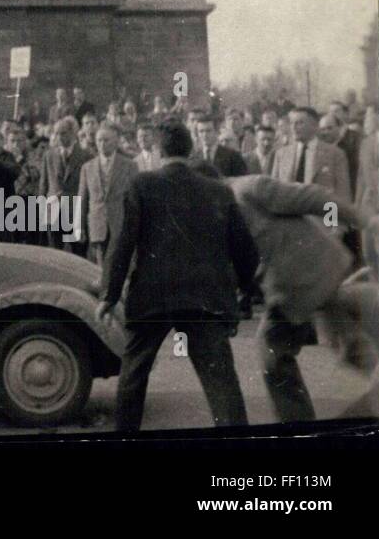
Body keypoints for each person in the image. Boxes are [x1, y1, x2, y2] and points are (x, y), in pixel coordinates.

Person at [98, 119, 260, 432]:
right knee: (222, 385)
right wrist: (241, 291)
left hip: (151, 295)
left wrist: (110, 295)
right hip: (205, 298)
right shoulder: (219, 190)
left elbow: (122, 245)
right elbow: (246, 251)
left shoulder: (142, 185)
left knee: (133, 376)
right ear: (192, 149)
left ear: (157, 150)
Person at [221, 172, 374, 423]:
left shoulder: (249, 189)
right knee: (348, 347)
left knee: (273, 352)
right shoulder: (219, 212)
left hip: (312, 273)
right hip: (292, 288)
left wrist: (361, 218)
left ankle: (297, 427)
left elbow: (314, 198)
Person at [77, 123, 134, 265]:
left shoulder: (129, 165)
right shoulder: (87, 167)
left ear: (116, 142)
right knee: (100, 266)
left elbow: (134, 199)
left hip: (120, 224)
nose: (102, 144)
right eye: (99, 140)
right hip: (97, 224)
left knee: (121, 265)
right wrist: (79, 226)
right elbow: (82, 199)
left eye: (106, 140)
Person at [271, 108, 351, 209]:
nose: (294, 127)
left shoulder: (335, 154)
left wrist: (333, 223)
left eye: (300, 123)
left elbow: (343, 194)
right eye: (292, 123)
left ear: (314, 126)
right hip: (289, 218)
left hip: (321, 217)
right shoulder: (281, 154)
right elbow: (273, 191)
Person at [40, 115, 91, 254]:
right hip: (53, 211)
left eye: (63, 133)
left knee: (78, 254)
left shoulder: (86, 155)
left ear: (73, 133)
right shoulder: (48, 155)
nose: (59, 137)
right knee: (55, 255)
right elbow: (43, 186)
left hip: (76, 212)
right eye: (56, 133)